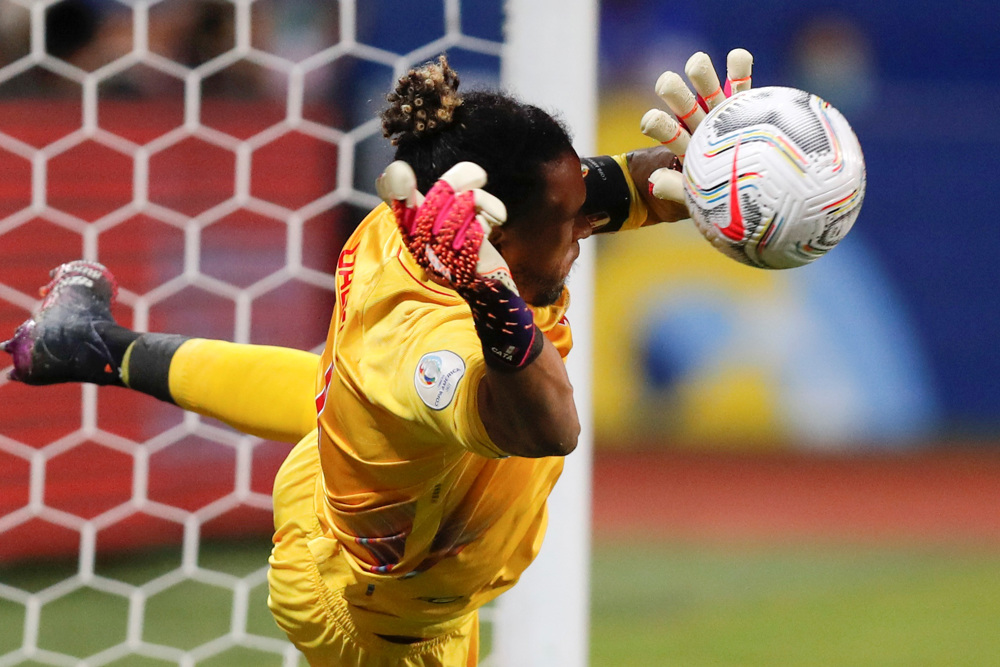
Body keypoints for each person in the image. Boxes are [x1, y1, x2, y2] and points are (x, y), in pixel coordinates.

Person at [3, 53, 750, 666]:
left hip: (375, 487)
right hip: (374, 618)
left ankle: (95, 344)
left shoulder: (428, 219)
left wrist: (729, 158)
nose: (592, 220)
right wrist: (492, 295)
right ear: (496, 241)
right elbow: (549, 426)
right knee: (368, 409)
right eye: (570, 218)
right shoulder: (429, 345)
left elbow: (611, 189)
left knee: (336, 400)